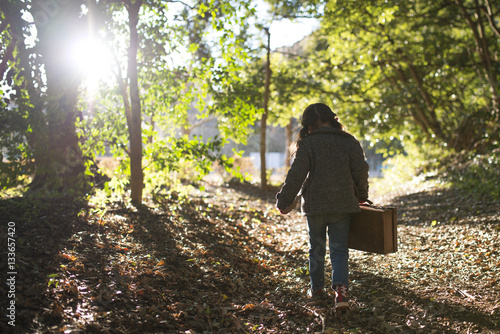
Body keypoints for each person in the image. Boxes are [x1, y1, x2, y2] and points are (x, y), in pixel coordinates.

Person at [275, 103, 369, 312]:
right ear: (332, 119)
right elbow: (360, 170)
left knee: (315, 249)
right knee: (339, 249)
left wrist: (284, 202)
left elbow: (296, 175)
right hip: (342, 205)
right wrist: (362, 195)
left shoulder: (308, 143)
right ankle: (341, 292)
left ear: (308, 125)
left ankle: (317, 290)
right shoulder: (349, 142)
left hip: (315, 206)